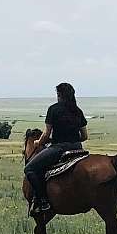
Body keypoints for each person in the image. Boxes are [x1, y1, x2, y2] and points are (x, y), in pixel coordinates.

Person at [24, 82, 88, 214]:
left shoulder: (53, 109)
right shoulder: (78, 111)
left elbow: (46, 134)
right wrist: (73, 140)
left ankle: (43, 201)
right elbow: (85, 136)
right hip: (78, 148)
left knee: (29, 168)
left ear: (59, 95)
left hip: (59, 148)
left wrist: (37, 142)